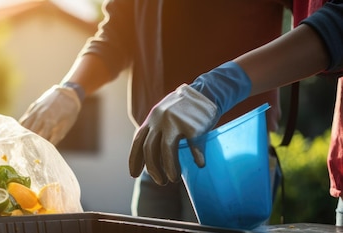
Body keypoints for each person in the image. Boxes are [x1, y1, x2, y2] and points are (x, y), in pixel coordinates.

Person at [19, 0, 289, 221]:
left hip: (230, 151)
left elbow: (322, 23)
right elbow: (117, 35)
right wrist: (71, 90)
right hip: (156, 153)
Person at [128, 0, 343, 220]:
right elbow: (116, 31)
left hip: (233, 147)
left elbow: (333, 22)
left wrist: (216, 88)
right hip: (159, 147)